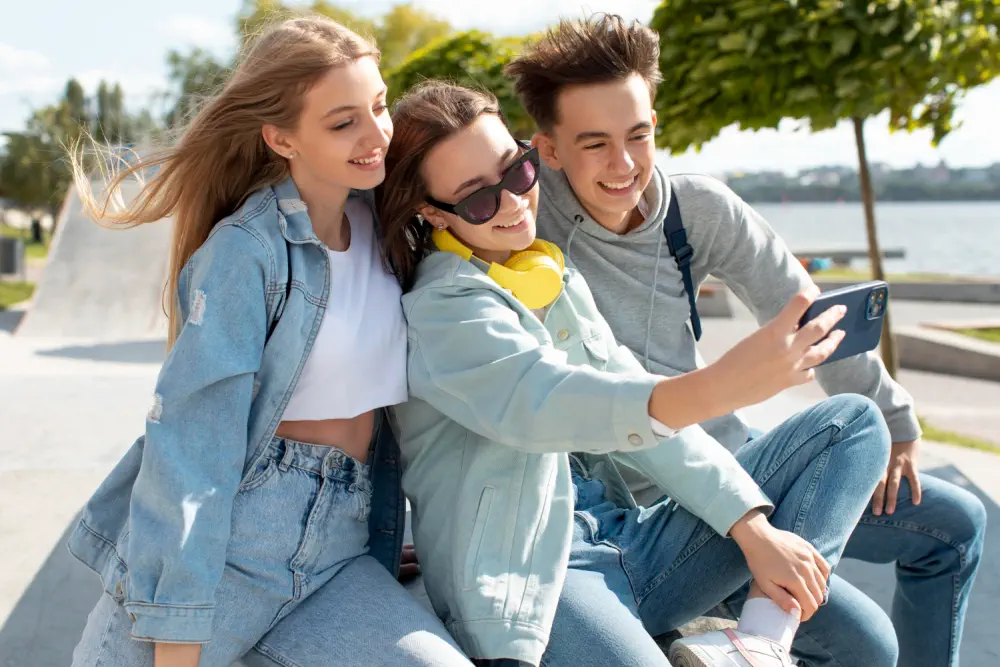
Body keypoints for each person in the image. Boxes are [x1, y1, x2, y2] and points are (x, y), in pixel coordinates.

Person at [507, 14, 987, 667]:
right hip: (649, 511)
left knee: (955, 524)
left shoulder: (695, 211)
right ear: (548, 149)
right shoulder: (520, 220)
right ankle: (758, 624)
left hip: (736, 457)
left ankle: (761, 631)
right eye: (594, 144)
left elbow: (813, 316)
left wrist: (898, 422)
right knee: (869, 646)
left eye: (638, 135)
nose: (624, 165)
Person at [375, 80, 892, 667]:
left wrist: (754, 531)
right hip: (543, 576)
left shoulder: (551, 277)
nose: (515, 203)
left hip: (633, 535)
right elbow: (551, 403)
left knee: (853, 426)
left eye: (517, 172)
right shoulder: (443, 311)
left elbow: (647, 424)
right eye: (477, 200)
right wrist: (719, 386)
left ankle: (761, 640)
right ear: (431, 211)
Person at [66, 16, 470, 667]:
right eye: (343, 123)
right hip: (230, 546)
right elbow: (193, 448)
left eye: (378, 106)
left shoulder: (387, 226)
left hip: (340, 549)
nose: (376, 135)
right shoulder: (247, 251)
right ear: (281, 137)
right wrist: (179, 625)